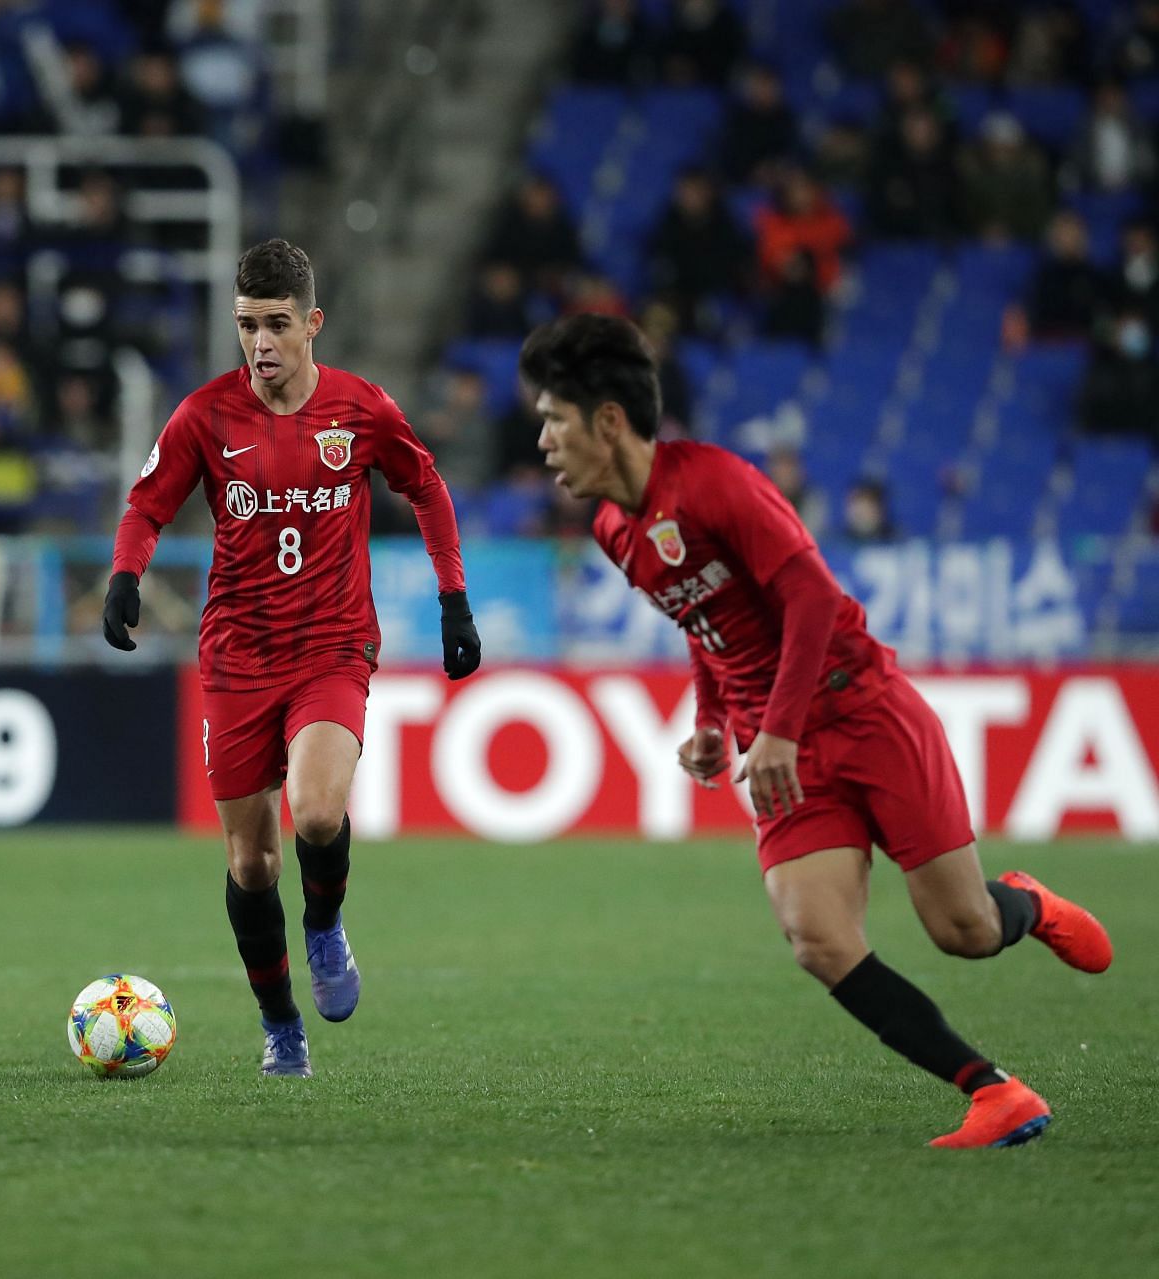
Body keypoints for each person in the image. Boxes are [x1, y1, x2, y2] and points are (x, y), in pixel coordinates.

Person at [524, 313, 1112, 1149]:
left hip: (859, 709)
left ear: (608, 420)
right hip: (779, 746)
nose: (542, 439)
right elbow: (702, 616)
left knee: (966, 932)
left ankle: (1029, 904)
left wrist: (781, 731)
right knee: (816, 935)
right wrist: (713, 721)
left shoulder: (718, 484)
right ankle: (993, 1090)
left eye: (554, 417)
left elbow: (811, 598)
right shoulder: (616, 531)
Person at [101, 240, 482, 1077]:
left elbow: (426, 488)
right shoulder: (204, 415)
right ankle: (281, 1026)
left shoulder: (361, 409)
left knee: (314, 813)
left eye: (277, 324)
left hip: (331, 648)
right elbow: (146, 505)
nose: (261, 342)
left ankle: (325, 922)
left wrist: (453, 596)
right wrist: (125, 576)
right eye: (247, 326)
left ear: (312, 323)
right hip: (237, 656)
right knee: (250, 860)